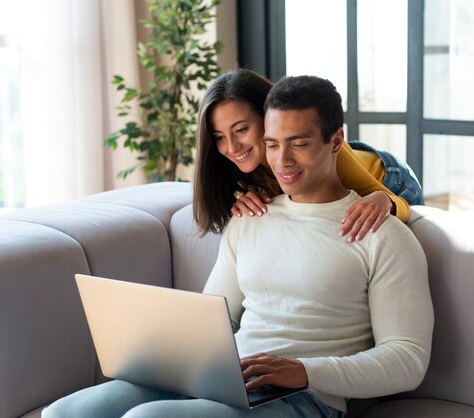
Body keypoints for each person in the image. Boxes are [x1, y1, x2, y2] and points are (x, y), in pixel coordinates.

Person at [41, 75, 434, 418]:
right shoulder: (249, 217)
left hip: (306, 398)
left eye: (298, 143)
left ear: (335, 141)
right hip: (227, 379)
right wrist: (161, 352)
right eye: (273, 144)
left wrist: (305, 370)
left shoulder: (383, 235)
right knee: (66, 412)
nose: (283, 160)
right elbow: (218, 316)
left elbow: (408, 358)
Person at [193, 68, 423, 243]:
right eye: (219, 137)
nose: (232, 148)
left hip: (391, 179)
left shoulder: (331, 158)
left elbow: (402, 208)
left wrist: (385, 201)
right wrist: (240, 199)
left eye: (241, 130)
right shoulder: (234, 169)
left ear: (268, 116)